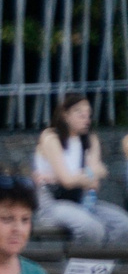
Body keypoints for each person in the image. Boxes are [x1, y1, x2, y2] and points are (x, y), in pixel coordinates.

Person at [33, 93, 128, 247]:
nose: (86, 118)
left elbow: (100, 173)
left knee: (123, 224)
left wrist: (78, 176)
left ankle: (105, 267)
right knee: (91, 228)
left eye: (88, 114)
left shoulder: (90, 139)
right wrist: (85, 175)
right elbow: (68, 181)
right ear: (65, 114)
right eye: (79, 113)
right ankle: (77, 269)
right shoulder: (51, 137)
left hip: (83, 202)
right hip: (53, 202)